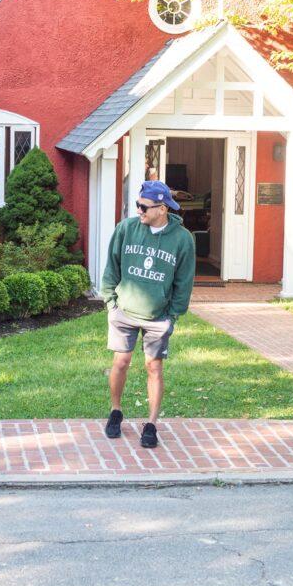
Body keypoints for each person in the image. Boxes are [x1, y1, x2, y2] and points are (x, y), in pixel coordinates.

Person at [100, 180, 196, 448]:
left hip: (157, 318)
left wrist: (172, 316)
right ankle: (115, 411)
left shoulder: (182, 239)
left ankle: (151, 423)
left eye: (144, 206)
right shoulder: (126, 229)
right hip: (124, 312)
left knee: (153, 367)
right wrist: (111, 303)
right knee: (121, 362)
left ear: (162, 209)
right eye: (138, 205)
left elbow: (184, 282)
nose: (139, 210)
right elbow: (112, 267)